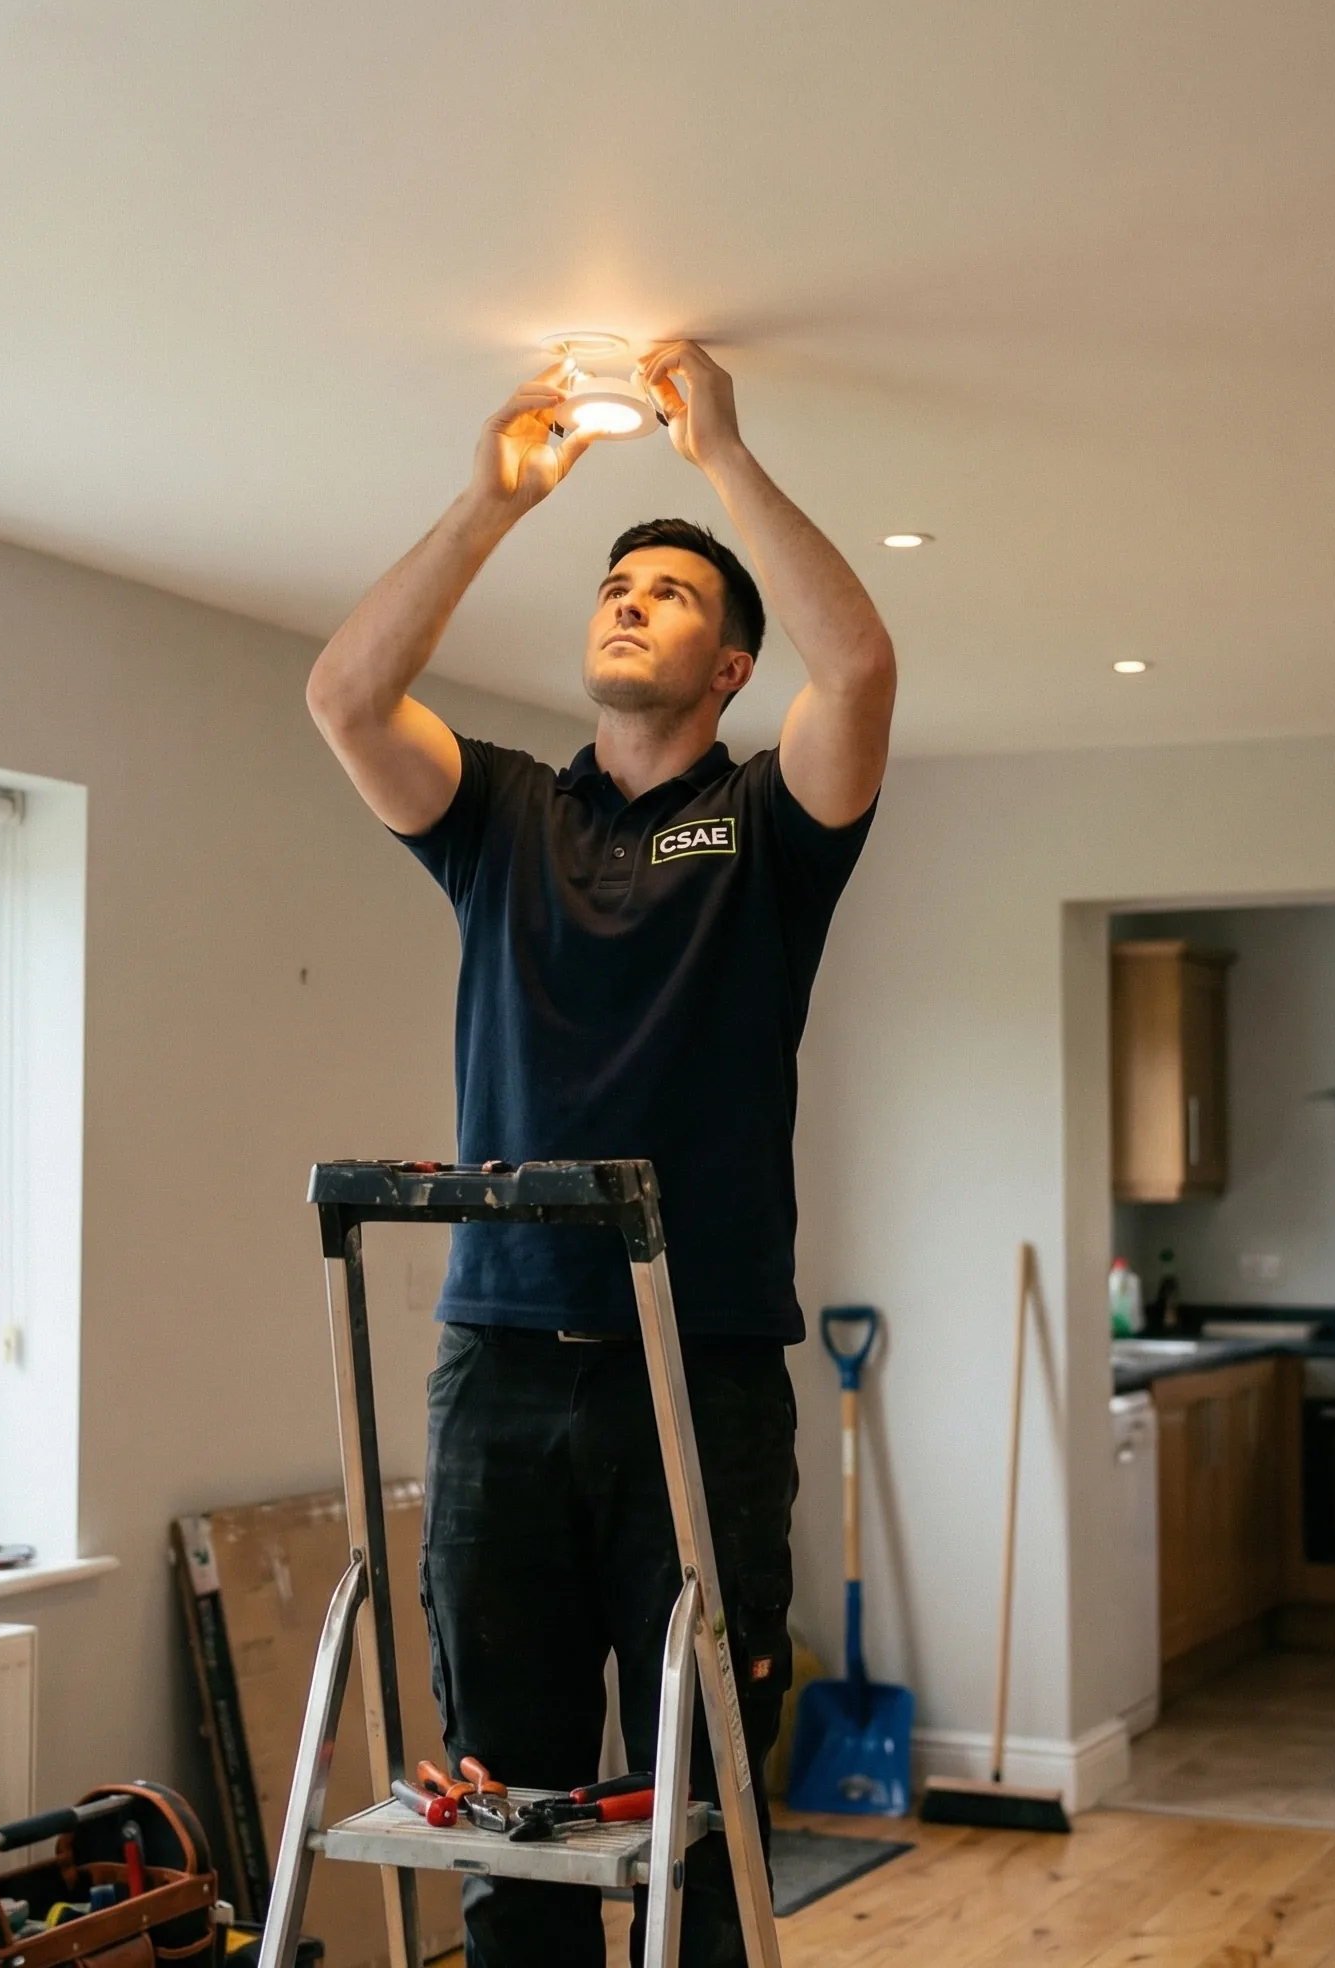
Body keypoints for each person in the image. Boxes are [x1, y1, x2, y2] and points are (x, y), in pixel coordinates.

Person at [306, 341, 896, 1967]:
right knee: (514, 1821)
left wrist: (722, 459)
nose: (631, 602)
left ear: (730, 667)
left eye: (672, 595)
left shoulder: (766, 830)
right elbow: (344, 697)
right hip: (498, 1369)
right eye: (617, 586)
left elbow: (858, 671)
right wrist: (490, 504)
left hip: (700, 1371)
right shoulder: (503, 815)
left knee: (706, 1818)